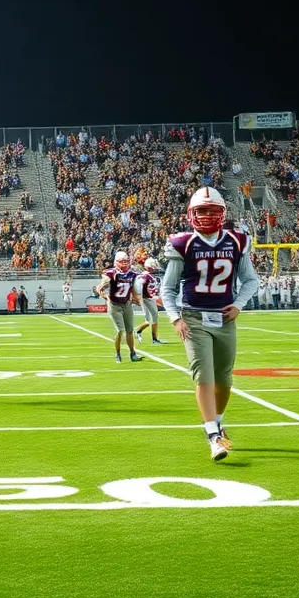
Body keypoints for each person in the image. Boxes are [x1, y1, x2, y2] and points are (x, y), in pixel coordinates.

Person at [161, 188, 258, 462]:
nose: (206, 216)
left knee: (224, 378)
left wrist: (239, 304)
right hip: (194, 317)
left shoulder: (237, 241)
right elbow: (167, 288)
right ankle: (212, 434)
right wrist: (175, 318)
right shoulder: (184, 243)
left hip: (225, 318)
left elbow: (251, 280)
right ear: (191, 214)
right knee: (204, 375)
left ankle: (218, 422)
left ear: (222, 214)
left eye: (212, 211)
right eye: (201, 211)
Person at [99, 251, 141, 363]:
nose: (125, 264)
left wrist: (137, 299)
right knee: (120, 331)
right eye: (122, 261)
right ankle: (118, 354)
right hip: (115, 305)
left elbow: (132, 288)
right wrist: (106, 297)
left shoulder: (132, 274)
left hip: (127, 304)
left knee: (130, 330)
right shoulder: (111, 273)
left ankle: (133, 353)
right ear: (116, 262)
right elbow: (100, 288)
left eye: (126, 261)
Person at [135, 257, 164, 345]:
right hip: (147, 298)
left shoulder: (145, 275)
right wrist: (149, 295)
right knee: (154, 318)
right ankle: (154, 339)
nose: (155, 267)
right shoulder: (146, 276)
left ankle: (138, 331)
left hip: (144, 298)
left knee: (148, 320)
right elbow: (143, 286)